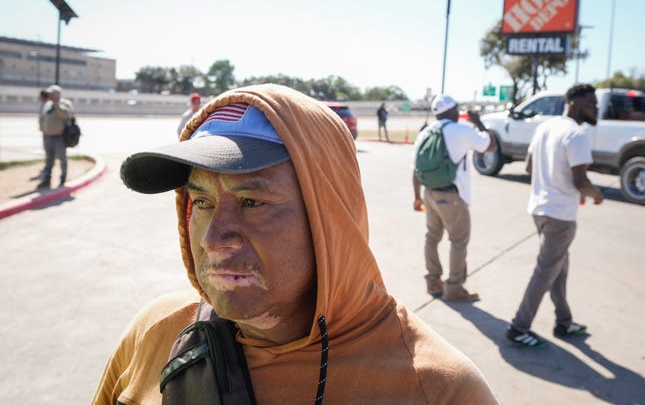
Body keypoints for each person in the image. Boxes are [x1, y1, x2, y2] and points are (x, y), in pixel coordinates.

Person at [91, 84, 498, 405]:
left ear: (330, 217)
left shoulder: (439, 389)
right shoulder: (157, 332)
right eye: (201, 202)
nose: (215, 239)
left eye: (252, 202)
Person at [506, 83, 604, 348]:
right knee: (545, 272)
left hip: (539, 209)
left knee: (558, 269)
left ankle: (564, 322)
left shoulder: (545, 127)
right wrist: (596, 194)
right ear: (574, 104)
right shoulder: (577, 134)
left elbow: (528, 167)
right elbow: (580, 181)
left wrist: (548, 179)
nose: (596, 108)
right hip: (560, 215)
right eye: (591, 104)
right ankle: (518, 326)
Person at [412, 95, 495, 302]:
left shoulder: (425, 133)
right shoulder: (461, 130)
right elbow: (489, 146)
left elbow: (415, 169)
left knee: (432, 237)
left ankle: (432, 281)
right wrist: (478, 122)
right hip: (452, 197)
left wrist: (417, 197)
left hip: (429, 193)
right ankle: (454, 287)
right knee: (458, 240)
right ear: (452, 111)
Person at [38, 85, 73, 188]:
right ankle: (47, 179)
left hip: (60, 138)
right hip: (48, 138)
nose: (50, 96)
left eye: (52, 94)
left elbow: (65, 115)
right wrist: (44, 132)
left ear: (58, 94)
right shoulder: (47, 105)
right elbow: (43, 119)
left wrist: (57, 103)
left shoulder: (65, 104)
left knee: (62, 160)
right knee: (49, 160)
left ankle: (63, 178)